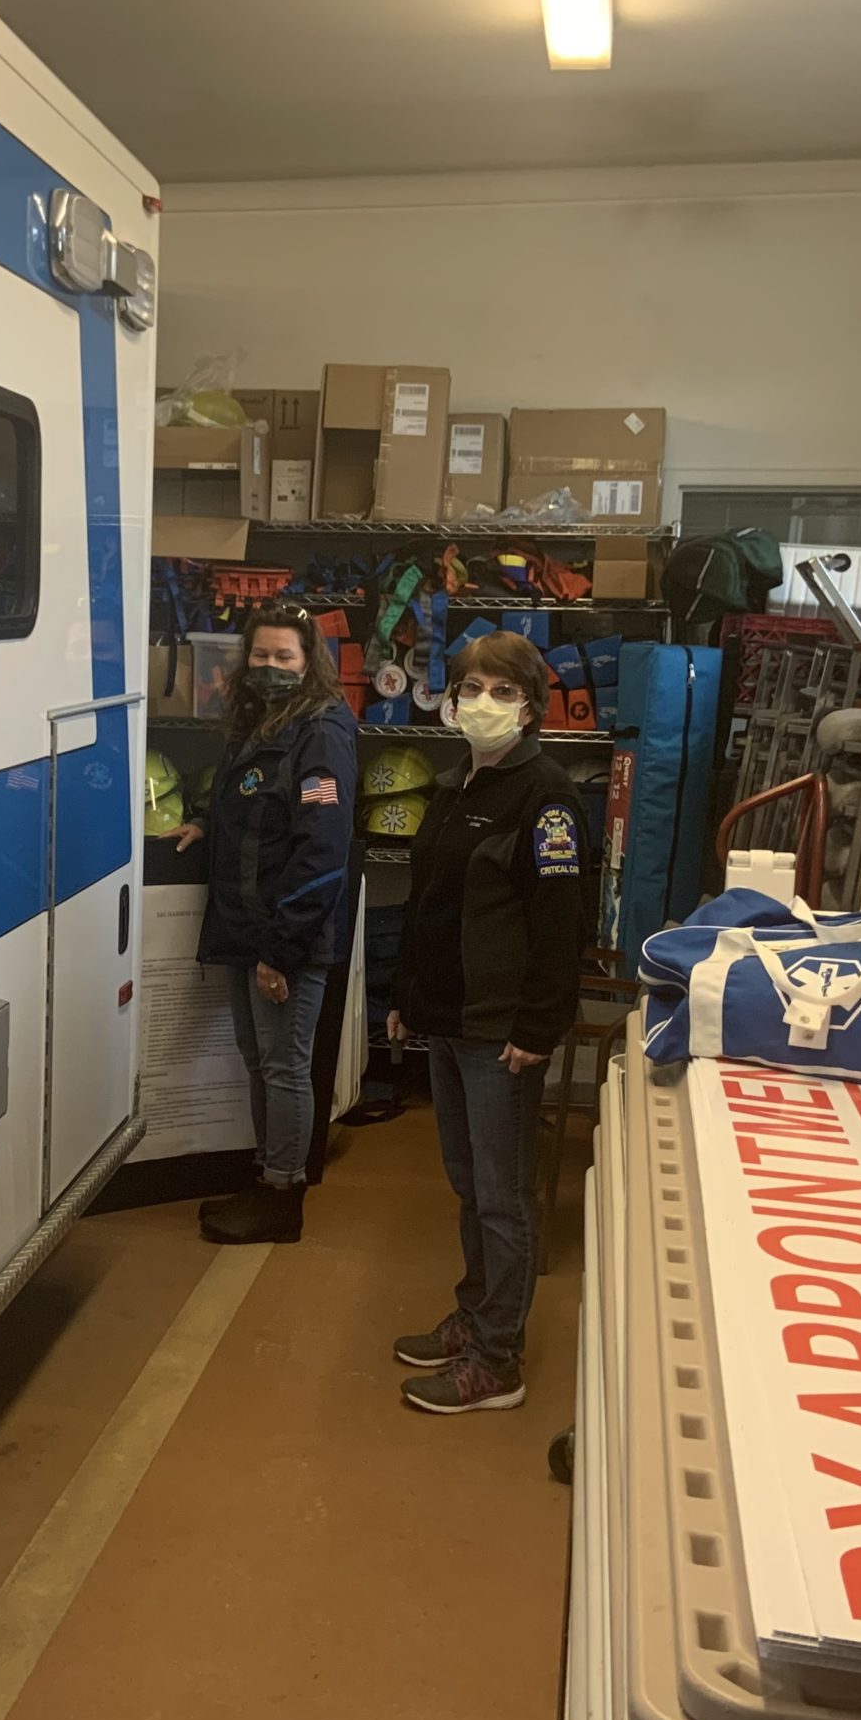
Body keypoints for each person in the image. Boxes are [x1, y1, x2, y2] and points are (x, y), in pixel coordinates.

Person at [387, 632, 588, 1413]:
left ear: (533, 707)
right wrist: (405, 995)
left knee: (504, 1197)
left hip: (502, 1031)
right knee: (470, 1186)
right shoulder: (452, 788)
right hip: (449, 1020)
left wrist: (539, 1028)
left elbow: (559, 924)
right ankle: (475, 1318)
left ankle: (499, 1359)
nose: (482, 703)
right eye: (471, 687)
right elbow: (428, 910)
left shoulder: (548, 801)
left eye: (502, 692)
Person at [171, 603, 358, 1244]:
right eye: (261, 655)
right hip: (246, 932)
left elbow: (322, 847)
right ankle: (264, 1174)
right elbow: (252, 806)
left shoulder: (323, 732)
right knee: (259, 1061)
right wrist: (205, 823)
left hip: (286, 937)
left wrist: (282, 948)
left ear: (309, 662)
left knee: (284, 1066)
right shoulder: (258, 724)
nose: (271, 667)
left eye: (285, 657)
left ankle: (284, 1195)